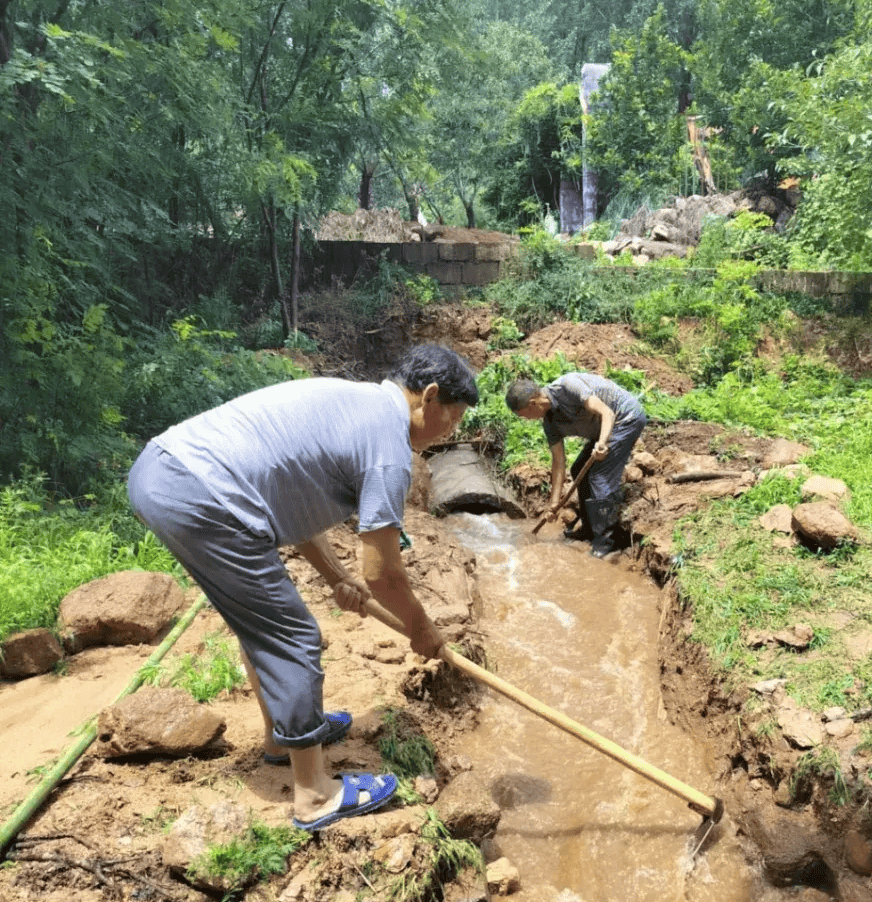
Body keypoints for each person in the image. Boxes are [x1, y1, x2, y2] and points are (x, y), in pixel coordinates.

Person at [127, 344, 478, 832]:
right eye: (454, 421)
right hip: (202, 495)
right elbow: (384, 573)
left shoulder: (356, 403)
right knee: (294, 638)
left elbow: (295, 500)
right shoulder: (389, 451)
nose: (450, 435)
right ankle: (315, 796)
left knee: (263, 625)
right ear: (430, 397)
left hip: (166, 474)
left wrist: (336, 577)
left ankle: (282, 736)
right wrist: (423, 632)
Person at [505, 372, 646, 558]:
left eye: (523, 416)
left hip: (625, 418)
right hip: (603, 431)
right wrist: (553, 504)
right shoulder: (550, 423)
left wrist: (602, 443)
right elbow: (558, 463)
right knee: (578, 469)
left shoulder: (568, 386)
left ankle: (607, 542)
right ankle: (589, 530)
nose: (525, 420)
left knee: (599, 476)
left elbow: (606, 412)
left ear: (532, 404)